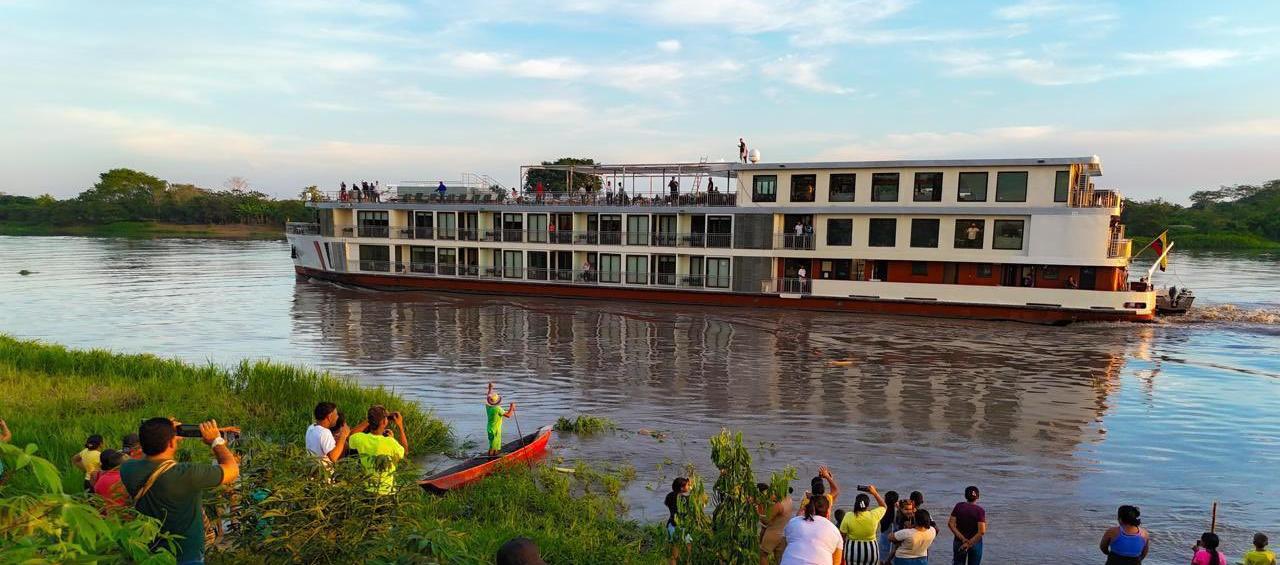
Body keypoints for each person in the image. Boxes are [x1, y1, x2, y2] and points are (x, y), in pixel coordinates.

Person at [120, 418, 239, 565]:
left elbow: (147, 456)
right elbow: (232, 470)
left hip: (151, 553)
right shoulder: (186, 474)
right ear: (171, 443)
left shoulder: (127, 469)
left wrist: (160, 436)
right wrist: (216, 441)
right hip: (187, 555)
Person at [347, 405, 407, 495]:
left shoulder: (360, 438)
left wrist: (372, 419)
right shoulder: (391, 442)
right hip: (387, 492)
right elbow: (405, 451)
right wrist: (400, 426)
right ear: (384, 422)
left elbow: (351, 434)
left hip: (366, 490)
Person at [780, 495, 843, 565]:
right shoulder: (834, 531)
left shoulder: (793, 522)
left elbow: (784, 548)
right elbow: (836, 562)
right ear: (828, 512)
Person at [839, 485, 887, 565]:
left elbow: (842, 537)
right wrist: (874, 493)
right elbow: (884, 506)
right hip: (871, 552)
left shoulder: (848, 516)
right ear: (867, 506)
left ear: (856, 504)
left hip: (852, 552)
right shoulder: (874, 515)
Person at [306, 401, 352, 468]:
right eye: (336, 415)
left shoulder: (311, 427)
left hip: (313, 468)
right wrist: (343, 435)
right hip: (324, 473)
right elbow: (333, 457)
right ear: (329, 416)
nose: (337, 417)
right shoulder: (324, 432)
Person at [948, 486, 986, 565]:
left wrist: (963, 539)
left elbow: (951, 524)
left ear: (965, 496)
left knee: (958, 563)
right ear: (978, 497)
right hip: (975, 543)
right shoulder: (980, 510)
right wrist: (969, 543)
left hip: (959, 541)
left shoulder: (959, 506)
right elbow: (981, 531)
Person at [761, 484, 795, 565]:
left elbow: (766, 520)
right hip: (783, 535)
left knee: (763, 555)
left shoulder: (779, 505)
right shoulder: (789, 500)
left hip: (773, 533)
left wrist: (757, 513)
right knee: (780, 559)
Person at [485, 382, 517, 456]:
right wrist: (512, 407)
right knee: (494, 447)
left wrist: (490, 388)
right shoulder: (498, 409)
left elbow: (488, 396)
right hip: (495, 430)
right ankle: (492, 459)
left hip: (489, 428)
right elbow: (508, 415)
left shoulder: (488, 407)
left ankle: (492, 457)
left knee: (492, 445)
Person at [666, 477, 691, 564]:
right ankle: (687, 562)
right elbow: (691, 507)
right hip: (682, 526)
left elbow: (667, 503)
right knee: (689, 550)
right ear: (681, 488)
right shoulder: (684, 499)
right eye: (687, 485)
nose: (689, 486)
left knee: (674, 553)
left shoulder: (669, 496)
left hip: (671, 525)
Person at [877, 491, 900, 561]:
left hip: (884, 541)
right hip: (895, 541)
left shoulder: (882, 512)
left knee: (882, 560)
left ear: (885, 500)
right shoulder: (899, 512)